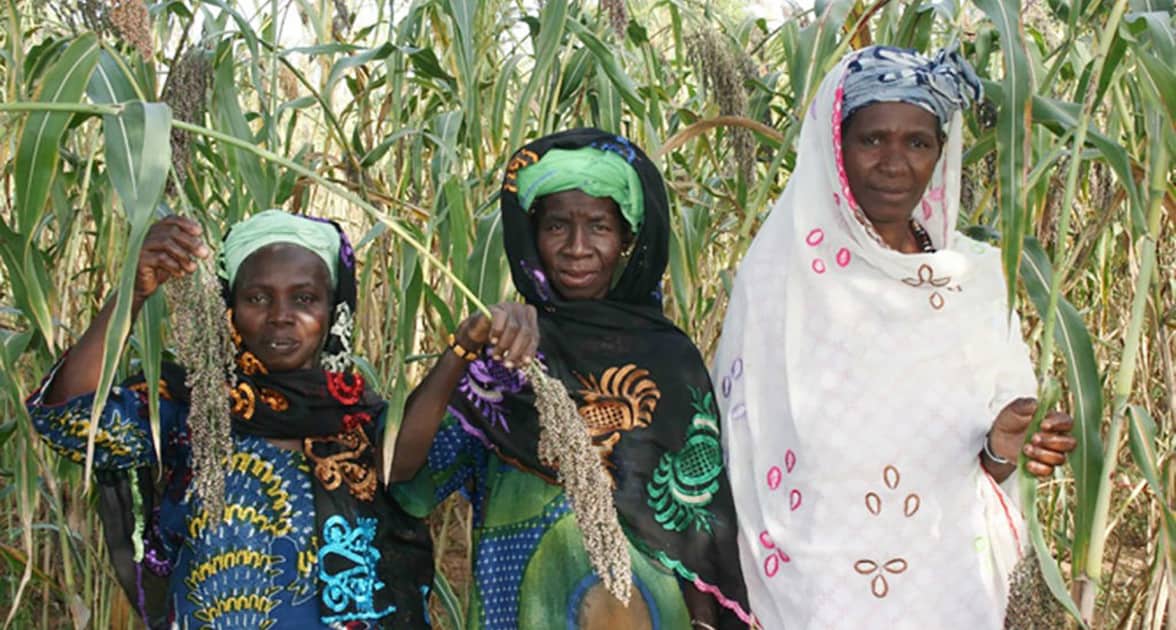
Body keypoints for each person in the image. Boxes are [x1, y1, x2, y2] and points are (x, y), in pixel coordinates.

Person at [712, 45, 1078, 629]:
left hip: (949, 583)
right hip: (815, 587)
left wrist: (1011, 443)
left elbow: (994, 463)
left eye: (918, 142)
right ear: (836, 148)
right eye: (871, 139)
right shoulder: (781, 278)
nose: (894, 162)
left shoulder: (974, 278)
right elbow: (744, 451)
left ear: (940, 152)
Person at [390, 128, 754, 629]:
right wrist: (463, 346)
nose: (577, 247)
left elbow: (696, 533)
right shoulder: (503, 357)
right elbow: (400, 468)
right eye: (557, 226)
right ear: (533, 237)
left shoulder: (669, 359)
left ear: (627, 238)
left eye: (599, 226)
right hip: (519, 605)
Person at [26, 211, 433, 628]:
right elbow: (68, 420)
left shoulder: (370, 427)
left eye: (305, 298)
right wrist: (133, 290)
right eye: (257, 297)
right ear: (229, 309)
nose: (280, 315)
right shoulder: (191, 414)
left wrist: (467, 350)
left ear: (334, 309)